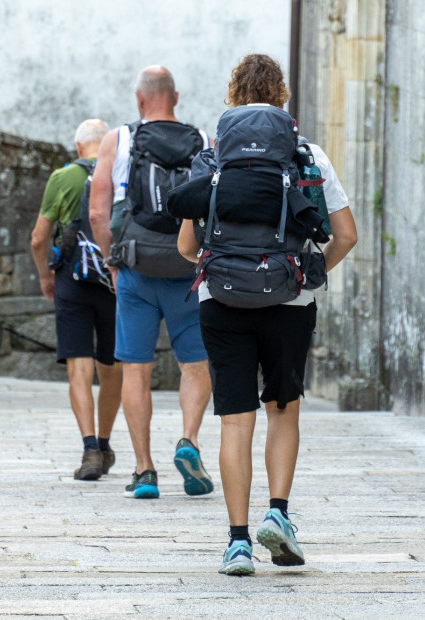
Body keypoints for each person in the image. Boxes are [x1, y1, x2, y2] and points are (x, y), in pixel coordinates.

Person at [176, 54, 358, 575]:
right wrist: (308, 271)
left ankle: (237, 542)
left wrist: (218, 262)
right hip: (289, 301)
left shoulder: (212, 158)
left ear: (232, 96)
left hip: (222, 300)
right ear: (283, 97)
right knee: (283, 407)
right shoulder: (308, 156)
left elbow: (188, 245)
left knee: (236, 419)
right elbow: (345, 235)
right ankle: (278, 515)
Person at [88, 65, 214, 499]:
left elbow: (98, 213)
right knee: (195, 364)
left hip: (137, 269)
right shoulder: (203, 141)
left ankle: (144, 471)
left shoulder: (117, 140)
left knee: (135, 369)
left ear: (140, 101)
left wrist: (112, 260)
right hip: (187, 270)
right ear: (174, 98)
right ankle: (189, 440)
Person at [30, 119, 122, 481]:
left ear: (77, 146)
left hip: (73, 279)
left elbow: (39, 238)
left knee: (79, 368)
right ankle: (104, 442)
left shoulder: (63, 178)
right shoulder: (119, 172)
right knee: (111, 366)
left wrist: (44, 274)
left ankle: (89, 451)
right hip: (115, 279)